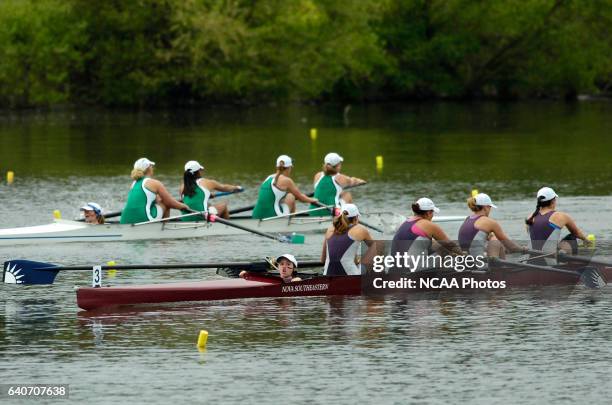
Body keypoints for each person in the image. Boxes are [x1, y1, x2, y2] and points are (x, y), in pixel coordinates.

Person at [390, 198, 463, 272]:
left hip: (394, 269)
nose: (432, 216)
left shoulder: (406, 222)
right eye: (432, 213)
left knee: (439, 247)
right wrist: (467, 256)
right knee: (448, 253)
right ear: (428, 213)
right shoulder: (428, 225)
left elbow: (432, 244)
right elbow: (450, 245)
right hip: (411, 271)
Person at [120, 157, 188, 224]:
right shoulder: (154, 183)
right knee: (165, 204)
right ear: (149, 168)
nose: (153, 168)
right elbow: (169, 202)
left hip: (124, 220)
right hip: (144, 219)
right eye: (151, 166)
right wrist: (183, 206)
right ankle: (163, 231)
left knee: (161, 201)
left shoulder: (133, 184)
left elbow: (155, 200)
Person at [458, 193, 526, 258]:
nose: (490, 210)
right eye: (490, 207)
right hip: (480, 265)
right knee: (496, 240)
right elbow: (510, 246)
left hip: (466, 263)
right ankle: (501, 268)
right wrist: (522, 249)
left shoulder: (468, 219)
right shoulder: (489, 222)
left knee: (492, 238)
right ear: (485, 207)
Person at [525, 187, 589, 255]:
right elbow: (577, 233)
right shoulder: (561, 216)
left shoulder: (529, 217)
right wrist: (587, 241)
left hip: (531, 258)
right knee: (571, 237)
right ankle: (574, 263)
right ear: (553, 201)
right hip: (550, 261)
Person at [252, 155, 318, 219]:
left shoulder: (268, 178)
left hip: (255, 215)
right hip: (272, 216)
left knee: (286, 197)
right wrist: (313, 200)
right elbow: (301, 198)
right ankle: (290, 224)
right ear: (289, 168)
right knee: (291, 197)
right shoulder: (286, 181)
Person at [321, 203, 374, 276]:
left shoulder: (330, 229)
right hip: (350, 277)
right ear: (356, 218)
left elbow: (322, 259)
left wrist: (355, 260)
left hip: (327, 275)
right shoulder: (361, 229)